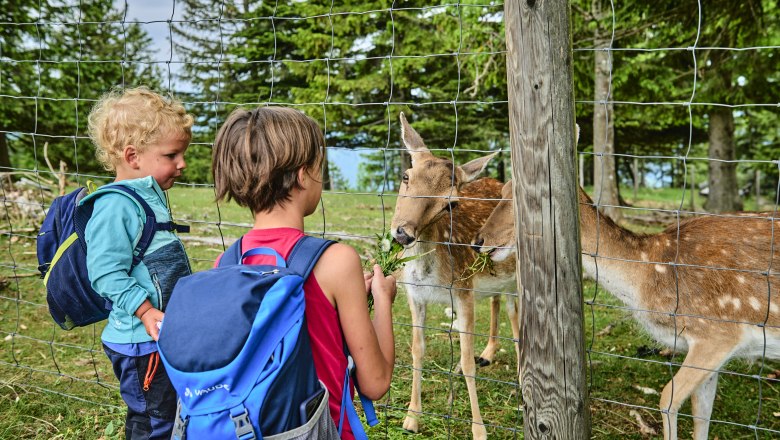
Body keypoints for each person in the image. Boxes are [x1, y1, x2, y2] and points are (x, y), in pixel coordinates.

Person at [211, 106, 397, 439]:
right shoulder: (337, 261)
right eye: (319, 167)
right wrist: (382, 299)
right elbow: (376, 381)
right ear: (302, 175)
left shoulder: (225, 263)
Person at [85, 87, 193, 439]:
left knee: (169, 412)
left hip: (160, 335)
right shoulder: (116, 206)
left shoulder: (147, 197)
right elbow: (104, 272)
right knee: (151, 419)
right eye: (172, 155)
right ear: (133, 156)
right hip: (139, 341)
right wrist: (145, 310)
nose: (182, 164)